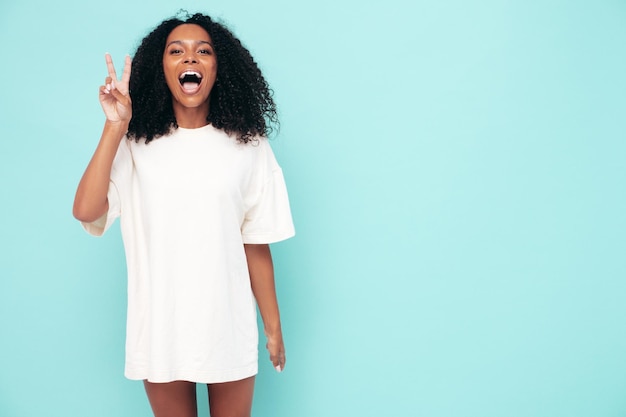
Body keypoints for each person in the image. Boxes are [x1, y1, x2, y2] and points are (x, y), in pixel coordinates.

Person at [73, 12, 295, 417]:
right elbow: (86, 210)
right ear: (161, 68)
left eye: (203, 51)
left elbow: (255, 240)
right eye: (176, 51)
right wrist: (114, 127)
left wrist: (273, 326)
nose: (189, 58)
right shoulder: (136, 143)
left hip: (228, 325)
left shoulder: (248, 145)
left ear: (217, 67)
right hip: (161, 327)